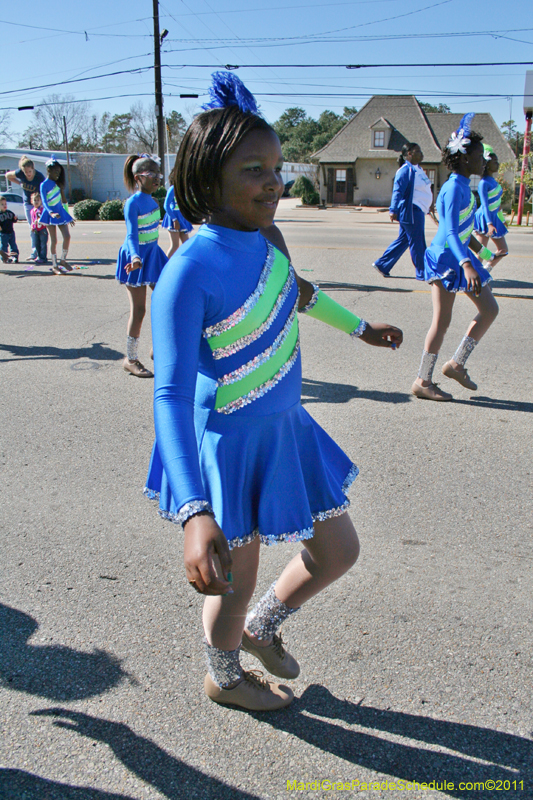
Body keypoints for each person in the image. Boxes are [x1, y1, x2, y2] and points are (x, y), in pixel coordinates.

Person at [143, 72, 403, 712]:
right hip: (230, 444)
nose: (274, 183)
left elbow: (297, 293)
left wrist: (359, 327)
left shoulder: (270, 240)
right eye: (254, 170)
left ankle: (262, 628)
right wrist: (194, 511)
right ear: (207, 180)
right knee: (236, 577)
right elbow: (171, 395)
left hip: (287, 427)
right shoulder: (187, 272)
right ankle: (224, 675)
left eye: (278, 168)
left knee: (338, 550)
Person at [412, 114, 499, 402]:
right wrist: (466, 264)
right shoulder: (452, 188)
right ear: (463, 159)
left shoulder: (464, 186)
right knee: (443, 320)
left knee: (489, 309)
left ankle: (457, 364)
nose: (482, 161)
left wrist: (485, 253)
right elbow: (449, 231)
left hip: (460, 256)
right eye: (477, 155)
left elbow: (463, 231)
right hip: (447, 260)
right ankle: (423, 380)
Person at [116, 154, 168, 378]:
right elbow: (131, 235)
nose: (157, 179)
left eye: (159, 174)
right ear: (138, 177)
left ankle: (158, 348)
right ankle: (130, 358)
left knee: (167, 298)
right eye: (152, 175)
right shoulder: (133, 203)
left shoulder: (154, 201)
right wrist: (135, 257)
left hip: (154, 255)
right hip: (136, 259)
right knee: (139, 311)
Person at [373, 143, 433, 279]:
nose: (422, 154)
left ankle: (382, 264)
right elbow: (398, 190)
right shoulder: (406, 170)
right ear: (410, 153)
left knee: (404, 240)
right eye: (418, 151)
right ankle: (422, 272)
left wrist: (429, 204)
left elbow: (424, 190)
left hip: (419, 210)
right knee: (418, 242)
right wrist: (393, 210)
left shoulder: (418, 169)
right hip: (411, 210)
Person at [473, 144, 508, 270]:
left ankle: (485, 270)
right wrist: (489, 223)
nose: (497, 164)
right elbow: (485, 205)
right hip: (484, 219)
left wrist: (502, 220)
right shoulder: (483, 183)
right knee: (481, 252)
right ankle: (473, 276)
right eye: (494, 161)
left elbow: (497, 205)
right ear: (487, 164)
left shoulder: (494, 181)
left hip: (494, 219)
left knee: (503, 250)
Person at [5, 155, 45, 262]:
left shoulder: (39, 177)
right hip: (28, 203)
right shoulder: (20, 173)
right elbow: (8, 175)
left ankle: (42, 252)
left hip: (39, 203)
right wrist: (19, 182)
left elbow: (46, 189)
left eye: (30, 171)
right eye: (25, 171)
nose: (28, 174)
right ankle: (34, 252)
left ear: (33, 168)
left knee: (41, 227)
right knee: (32, 227)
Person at [40, 157, 75, 275]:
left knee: (67, 236)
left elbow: (64, 201)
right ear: (49, 170)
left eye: (59, 173)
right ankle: (54, 265)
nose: (57, 175)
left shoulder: (58, 184)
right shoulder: (44, 185)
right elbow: (44, 202)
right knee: (54, 240)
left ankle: (63, 260)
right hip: (50, 215)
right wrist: (50, 212)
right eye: (56, 172)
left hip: (61, 214)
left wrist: (68, 216)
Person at [161, 167, 193, 257]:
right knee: (175, 246)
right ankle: (164, 266)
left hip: (183, 218)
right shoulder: (173, 188)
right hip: (174, 218)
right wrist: (174, 219)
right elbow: (165, 205)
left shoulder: (184, 189)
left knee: (187, 245)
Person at [30, 192, 48, 264]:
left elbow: (44, 219)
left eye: (38, 200)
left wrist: (40, 220)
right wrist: (32, 226)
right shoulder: (32, 211)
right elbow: (32, 220)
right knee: (36, 243)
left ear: (41, 201)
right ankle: (39, 256)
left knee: (43, 244)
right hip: (35, 230)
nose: (36, 202)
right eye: (35, 200)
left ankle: (43, 257)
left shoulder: (42, 210)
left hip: (42, 229)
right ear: (32, 201)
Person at [0, 195, 19, 263]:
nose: (4, 205)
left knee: (13, 245)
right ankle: (5, 258)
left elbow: (13, 219)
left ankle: (15, 256)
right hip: (3, 233)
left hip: (11, 232)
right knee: (4, 246)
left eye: (5, 204)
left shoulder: (9, 212)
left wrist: (15, 219)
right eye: (2, 204)